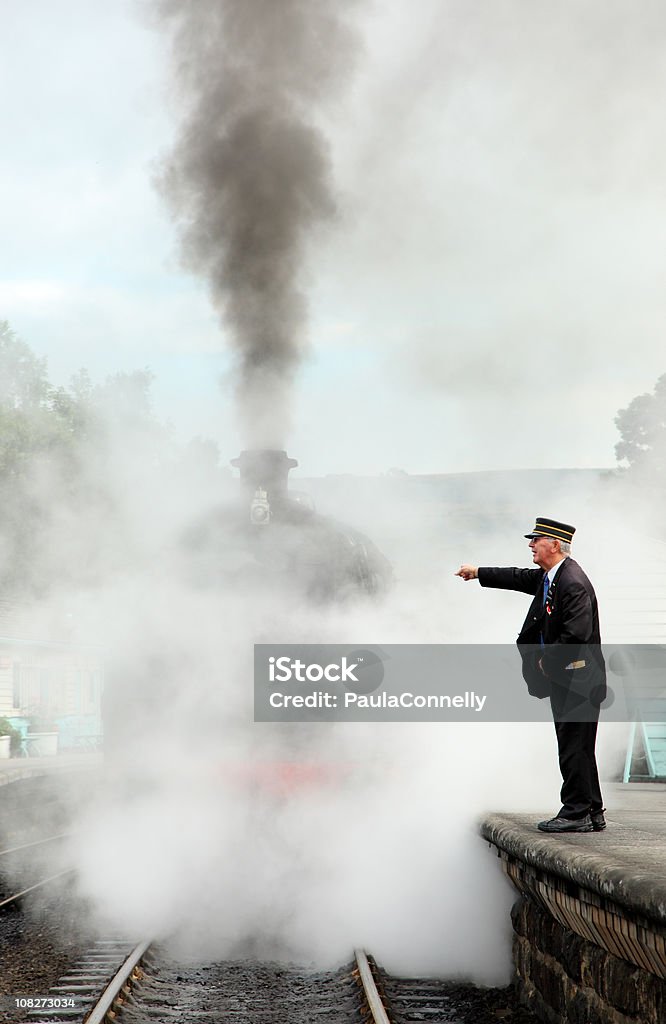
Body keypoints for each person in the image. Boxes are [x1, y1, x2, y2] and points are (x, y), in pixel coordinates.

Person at [455, 517, 606, 834]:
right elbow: (517, 577)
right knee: (578, 746)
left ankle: (576, 813)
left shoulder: (572, 582)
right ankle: (591, 811)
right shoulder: (552, 577)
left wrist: (546, 664)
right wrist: (478, 572)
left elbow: (575, 638)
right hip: (572, 679)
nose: (530, 545)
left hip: (577, 679)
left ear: (554, 544)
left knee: (573, 746)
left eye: (536, 540)